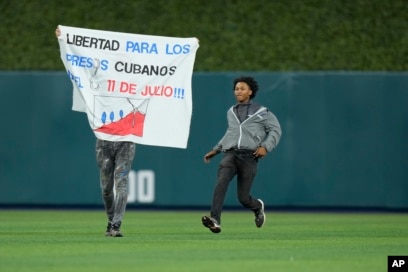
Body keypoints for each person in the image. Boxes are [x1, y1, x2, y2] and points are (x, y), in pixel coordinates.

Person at [55, 27, 136, 237]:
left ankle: (116, 225)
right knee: (106, 188)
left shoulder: (133, 82)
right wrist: (64, 39)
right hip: (103, 140)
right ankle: (110, 221)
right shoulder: (97, 82)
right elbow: (77, 67)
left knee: (122, 183)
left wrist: (186, 49)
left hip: (125, 140)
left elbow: (153, 71)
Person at [202, 76, 282, 233]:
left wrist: (266, 147)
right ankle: (215, 220)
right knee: (221, 183)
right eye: (236, 89)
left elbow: (275, 129)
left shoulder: (262, 112)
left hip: (249, 156)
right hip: (230, 154)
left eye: (242, 88)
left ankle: (258, 207)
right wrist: (217, 149)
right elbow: (231, 133)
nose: (238, 91)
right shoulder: (231, 112)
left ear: (250, 92)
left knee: (243, 198)